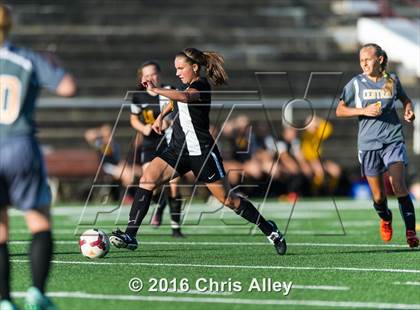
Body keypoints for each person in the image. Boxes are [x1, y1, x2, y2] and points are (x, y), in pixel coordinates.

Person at [110, 47, 286, 255]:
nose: (177, 72)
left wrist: (157, 90)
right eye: (175, 68)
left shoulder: (200, 86)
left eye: (180, 68)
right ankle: (131, 235)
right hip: (177, 150)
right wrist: (160, 116)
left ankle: (270, 230)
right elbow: (176, 100)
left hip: (201, 153)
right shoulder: (183, 86)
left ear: (195, 67)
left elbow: (184, 97)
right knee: (147, 179)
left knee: (228, 200)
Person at [0, 4, 77, 310]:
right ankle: (36, 293)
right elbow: (68, 87)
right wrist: (54, 64)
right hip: (20, 146)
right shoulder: (26, 57)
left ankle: (4, 300)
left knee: (0, 230)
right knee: (39, 221)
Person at [336, 43, 418, 248]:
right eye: (361, 60)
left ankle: (410, 231)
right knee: (379, 196)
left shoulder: (391, 81)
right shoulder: (356, 84)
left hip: (392, 139)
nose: (363, 64)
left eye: (367, 59)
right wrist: (362, 110)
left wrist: (409, 110)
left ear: (379, 60)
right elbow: (340, 110)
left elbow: (405, 100)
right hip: (368, 144)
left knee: (399, 185)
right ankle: (386, 217)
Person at [123, 61, 184, 237]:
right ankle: (160, 203)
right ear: (141, 78)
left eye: (153, 74)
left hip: (171, 143)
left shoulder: (171, 90)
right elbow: (134, 119)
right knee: (150, 184)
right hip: (150, 144)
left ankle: (175, 228)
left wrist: (169, 122)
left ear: (160, 75)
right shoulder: (138, 97)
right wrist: (143, 128)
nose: (150, 78)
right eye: (146, 75)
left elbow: (185, 115)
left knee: (174, 184)